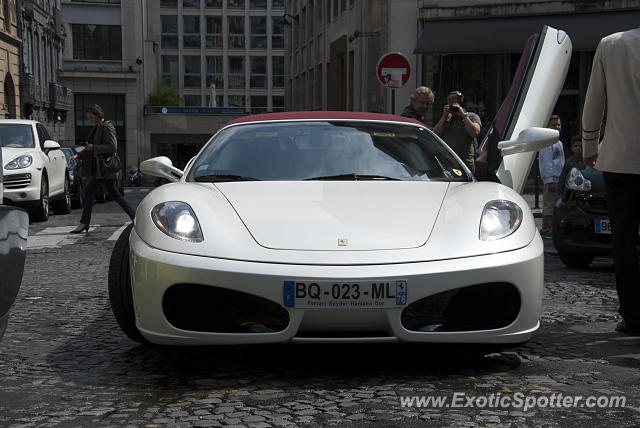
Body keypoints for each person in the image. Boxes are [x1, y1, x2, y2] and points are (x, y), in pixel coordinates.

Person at [582, 28, 640, 336]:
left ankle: (633, 316)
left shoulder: (611, 44)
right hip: (621, 159)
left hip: (621, 157)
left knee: (624, 242)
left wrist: (590, 145)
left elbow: (594, 101)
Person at [69, 104, 135, 233]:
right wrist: (78, 155)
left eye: (91, 117)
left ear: (98, 115)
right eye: (88, 117)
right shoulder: (97, 127)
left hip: (104, 168)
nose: (90, 120)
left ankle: (84, 223)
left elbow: (112, 147)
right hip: (100, 168)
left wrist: (94, 147)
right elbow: (90, 147)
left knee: (88, 191)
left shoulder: (107, 127)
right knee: (114, 194)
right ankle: (134, 216)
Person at [433, 90, 481, 170]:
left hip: (465, 163)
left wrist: (463, 115)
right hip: (447, 163)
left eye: (455, 102)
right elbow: (436, 134)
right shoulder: (447, 118)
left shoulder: (471, 117)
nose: (453, 105)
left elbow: (474, 132)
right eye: (450, 102)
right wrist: (444, 116)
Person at [537, 115, 565, 237]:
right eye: (554, 125)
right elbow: (546, 163)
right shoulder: (547, 143)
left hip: (559, 178)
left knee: (553, 203)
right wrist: (549, 180)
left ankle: (545, 227)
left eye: (558, 124)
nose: (557, 127)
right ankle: (549, 228)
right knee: (549, 205)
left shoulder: (558, 142)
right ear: (547, 127)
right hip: (552, 179)